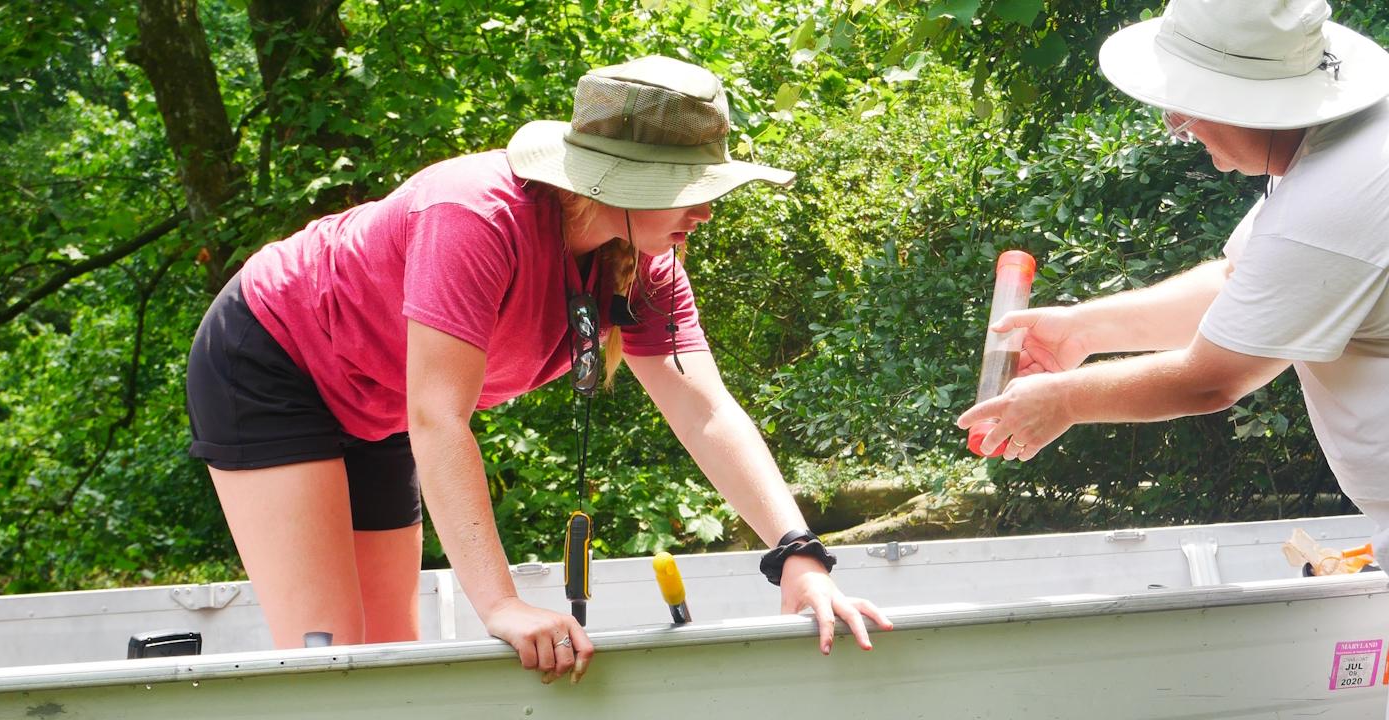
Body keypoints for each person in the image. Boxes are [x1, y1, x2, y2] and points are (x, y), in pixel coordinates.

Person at [956, 0, 1389, 717]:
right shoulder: (1351, 137)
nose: (1175, 122)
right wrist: (1083, 329)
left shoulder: (1342, 191)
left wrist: (1065, 400)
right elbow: (1245, 285)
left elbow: (1211, 379)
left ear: (1256, 99)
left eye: (1189, 102)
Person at [187, 56, 890, 685]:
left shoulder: (648, 266)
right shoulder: (475, 218)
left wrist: (799, 555)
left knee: (390, 659)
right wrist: (501, 604)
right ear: (622, 182)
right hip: (275, 360)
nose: (706, 211)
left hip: (382, 401)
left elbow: (704, 410)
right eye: (688, 188)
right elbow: (438, 417)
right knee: (332, 659)